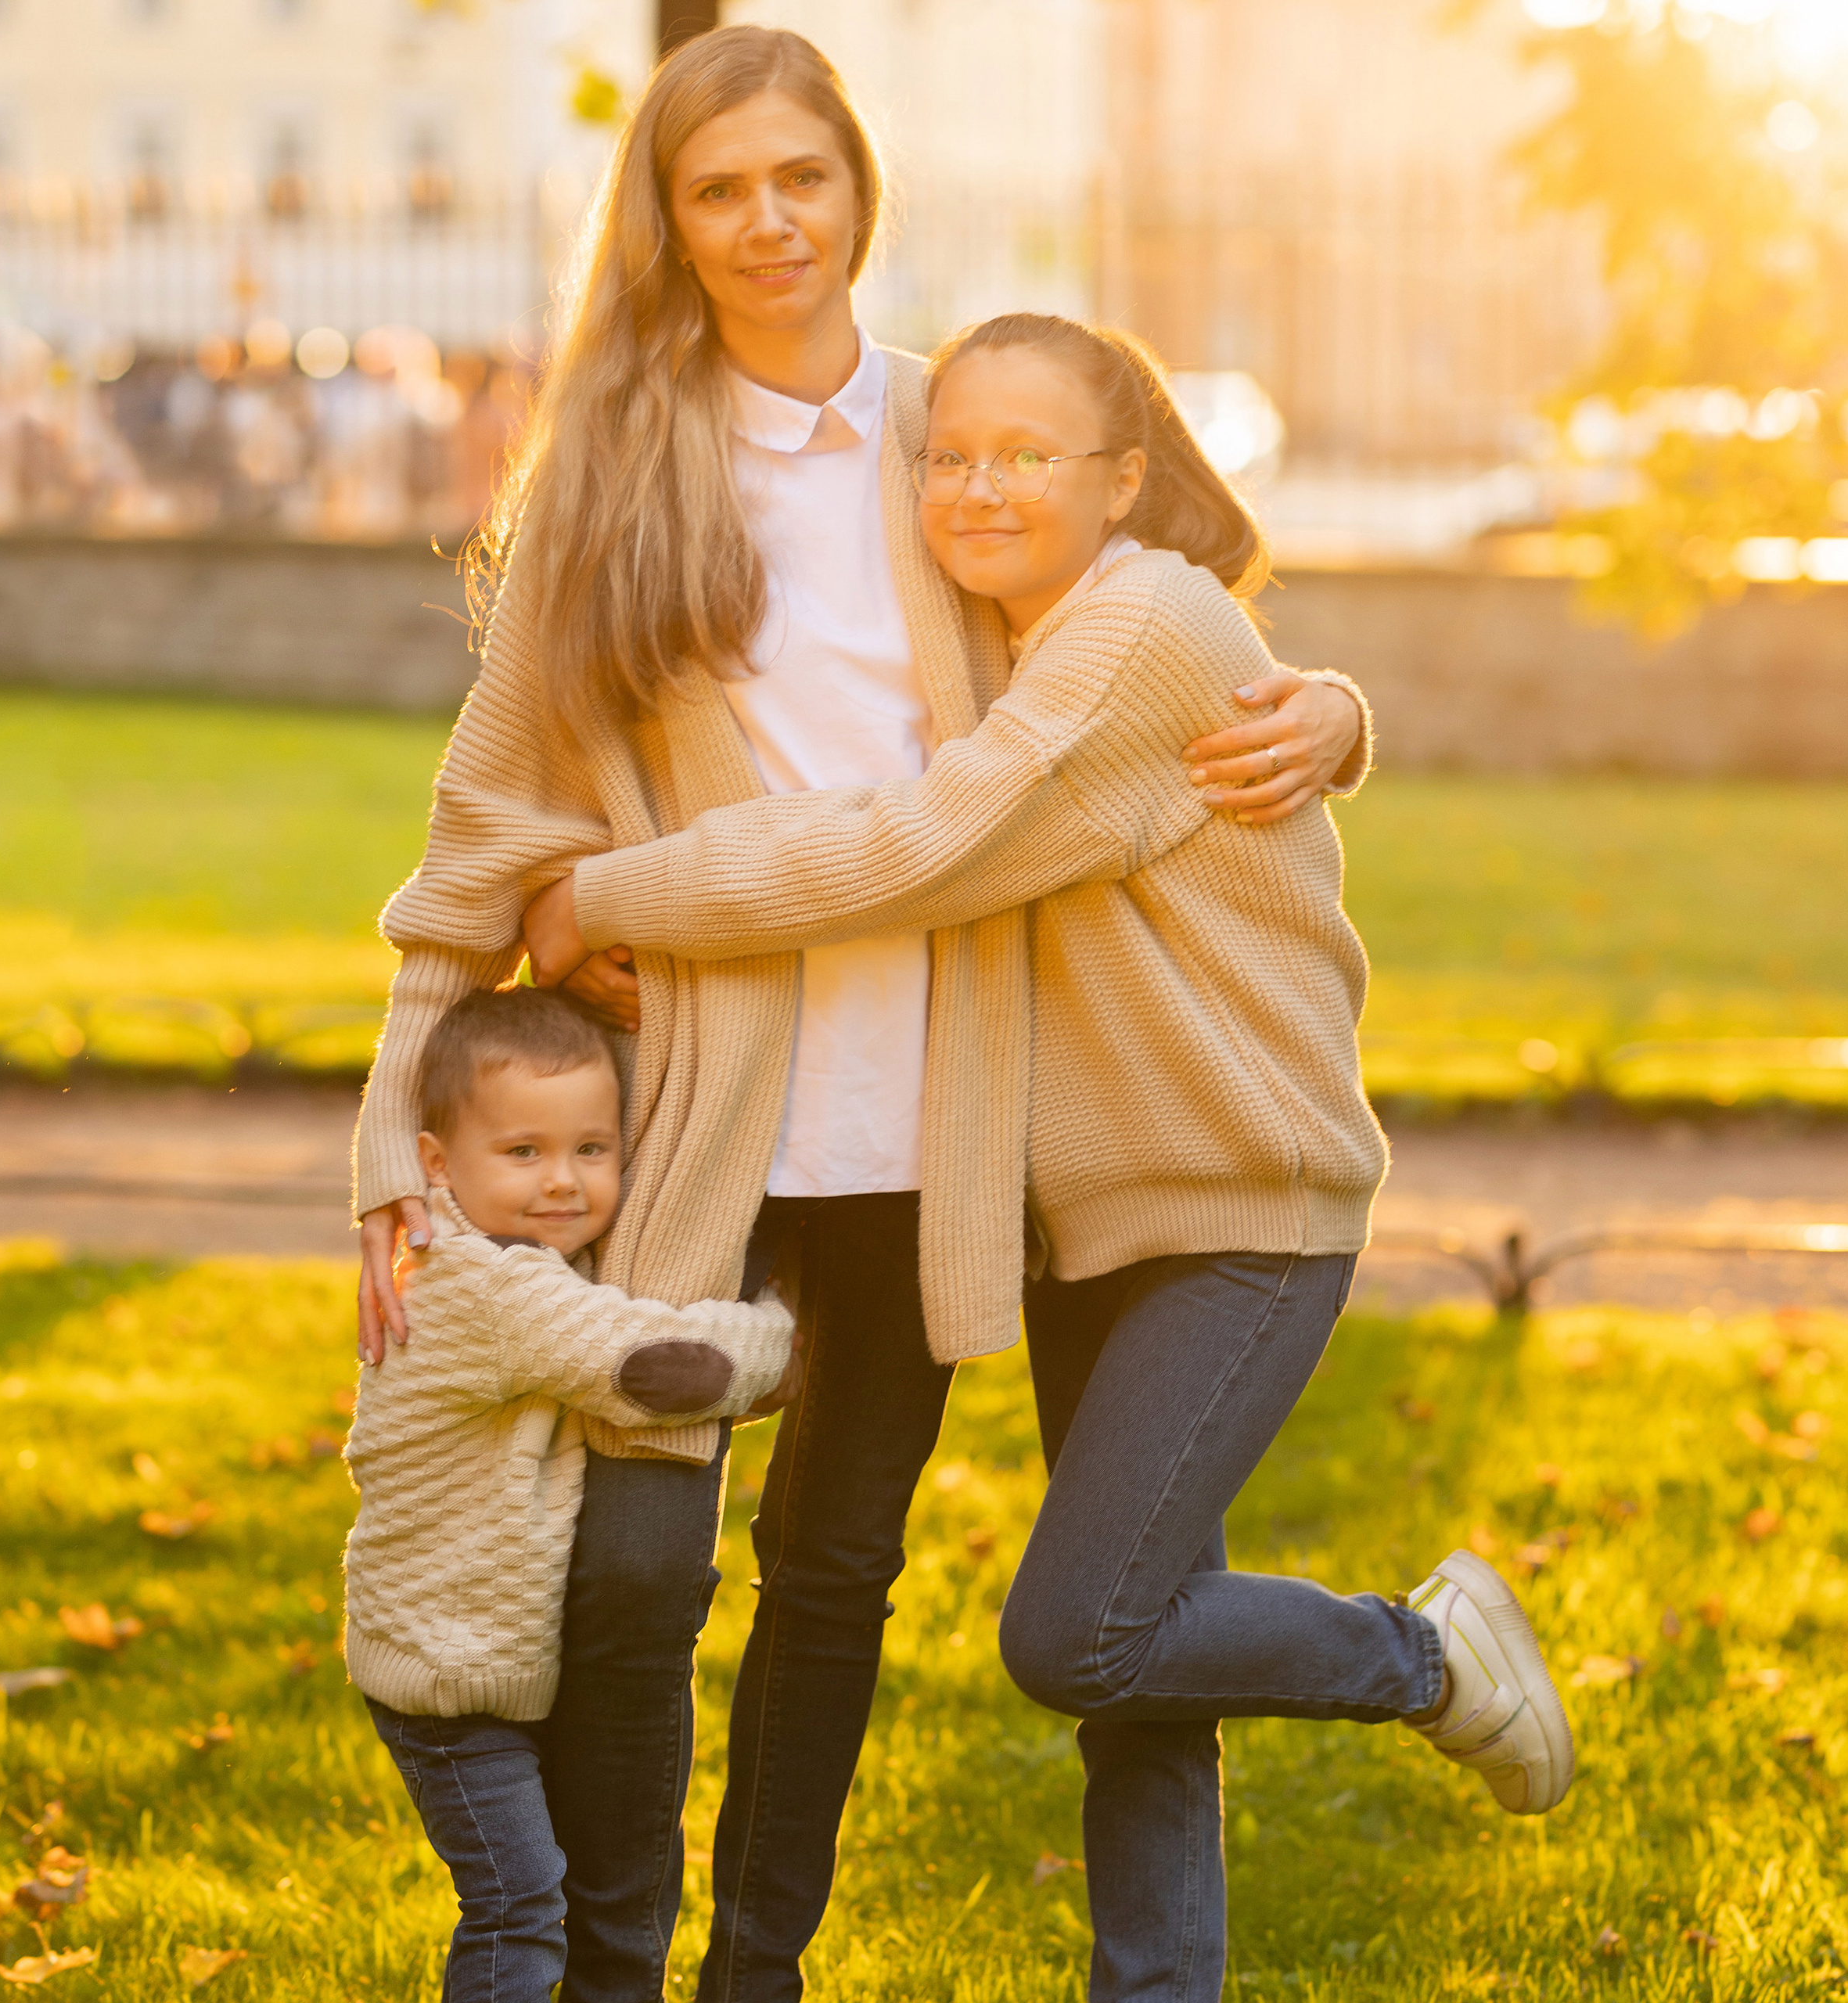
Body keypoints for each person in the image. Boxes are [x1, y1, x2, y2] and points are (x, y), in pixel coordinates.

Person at [351, 26, 1371, 2002]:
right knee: (638, 1573)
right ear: (666, 221)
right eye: (716, 187)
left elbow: (1174, 602)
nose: (764, 222)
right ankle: (601, 1965)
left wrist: (1332, 718)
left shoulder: (947, 431)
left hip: (922, 1111)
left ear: (857, 190)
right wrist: (398, 1119)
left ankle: (756, 1967)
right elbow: (481, 828)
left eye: (796, 178)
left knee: (832, 1579)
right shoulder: (607, 475)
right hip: (693, 1109)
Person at [523, 311, 1574, 2001]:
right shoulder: (1021, 643)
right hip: (1090, 1215)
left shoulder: (1134, 620)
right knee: (1146, 1650)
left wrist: (607, 892)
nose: (974, 483)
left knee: (1077, 1629)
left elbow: (928, 840)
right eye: (947, 454)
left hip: (1239, 1203)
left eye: (1026, 454)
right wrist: (1337, 712)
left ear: (1123, 477)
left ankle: (1421, 1651)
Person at [344, 986, 797, 2002]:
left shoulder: (534, 1266)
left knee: (529, 1894)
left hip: (482, 1664)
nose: (563, 1181)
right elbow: (651, 1368)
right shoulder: (488, 1288)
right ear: (433, 1165)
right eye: (524, 1153)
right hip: (448, 1688)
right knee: (520, 1903)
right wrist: (789, 1335)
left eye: (592, 1150)